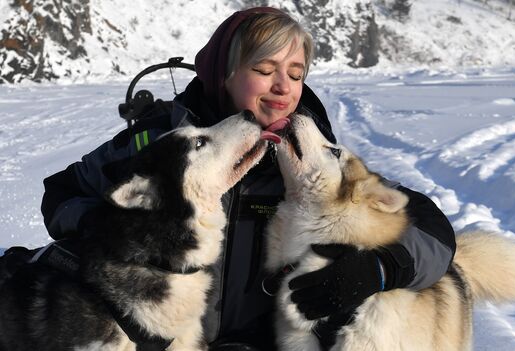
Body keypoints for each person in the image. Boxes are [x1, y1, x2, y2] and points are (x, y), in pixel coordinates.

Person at [38, 7, 455, 351]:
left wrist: (381, 268)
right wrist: (104, 226)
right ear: (224, 71)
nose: (282, 87)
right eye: (264, 68)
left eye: (295, 73)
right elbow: (61, 193)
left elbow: (434, 234)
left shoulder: (307, 158)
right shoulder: (159, 146)